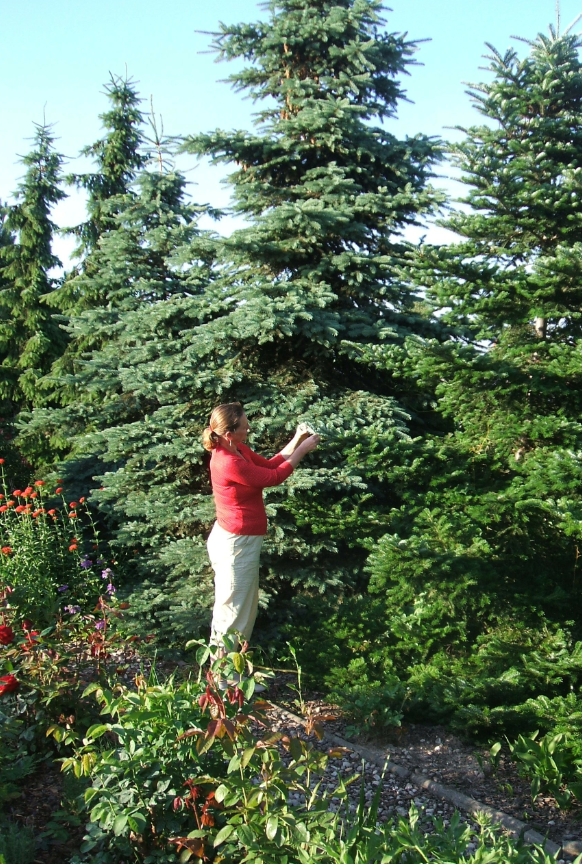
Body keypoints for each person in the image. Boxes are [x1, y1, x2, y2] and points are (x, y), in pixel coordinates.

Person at [202, 402, 319, 652]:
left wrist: (297, 438)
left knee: (241, 610)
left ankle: (230, 678)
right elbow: (273, 478)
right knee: (233, 614)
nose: (249, 428)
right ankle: (223, 682)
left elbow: (269, 464)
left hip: (238, 541)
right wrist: (303, 451)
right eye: (245, 426)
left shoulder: (237, 449)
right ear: (228, 433)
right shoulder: (228, 462)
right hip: (235, 546)